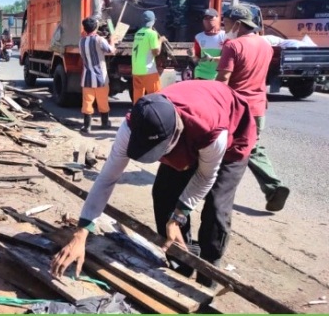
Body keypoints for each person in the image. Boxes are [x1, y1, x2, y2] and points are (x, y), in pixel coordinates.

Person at [51, 80, 257, 288]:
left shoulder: (211, 132)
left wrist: (179, 216)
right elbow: (106, 178)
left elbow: (205, 177)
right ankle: (182, 262)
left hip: (233, 136)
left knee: (216, 209)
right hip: (189, 132)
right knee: (163, 194)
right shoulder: (134, 125)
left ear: (175, 134)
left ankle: (208, 275)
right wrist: (81, 232)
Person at [216, 4, 290, 212]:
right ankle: (273, 187)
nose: (225, 26)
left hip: (237, 109)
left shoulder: (233, 45)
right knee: (252, 147)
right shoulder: (265, 45)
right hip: (258, 108)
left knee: (221, 147)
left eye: (227, 22)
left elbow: (223, 79)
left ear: (238, 24)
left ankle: (214, 195)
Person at [78, 17, 117, 132]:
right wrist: (112, 41)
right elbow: (111, 50)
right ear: (96, 27)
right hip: (101, 78)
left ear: (85, 29)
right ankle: (104, 124)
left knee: (87, 102)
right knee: (103, 101)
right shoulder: (99, 40)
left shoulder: (81, 41)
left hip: (87, 78)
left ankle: (87, 126)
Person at [131, 11, 165, 104]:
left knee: (138, 97)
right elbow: (156, 52)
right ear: (153, 21)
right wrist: (161, 40)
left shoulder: (138, 33)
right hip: (148, 70)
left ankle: (136, 115)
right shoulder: (152, 33)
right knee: (155, 97)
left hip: (136, 70)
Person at [193, 9, 226, 80]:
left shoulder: (225, 36)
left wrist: (212, 59)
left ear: (218, 18)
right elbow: (197, 58)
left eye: (210, 17)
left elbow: (227, 58)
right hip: (200, 74)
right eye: (205, 18)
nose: (208, 20)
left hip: (217, 75)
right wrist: (192, 56)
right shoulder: (199, 37)